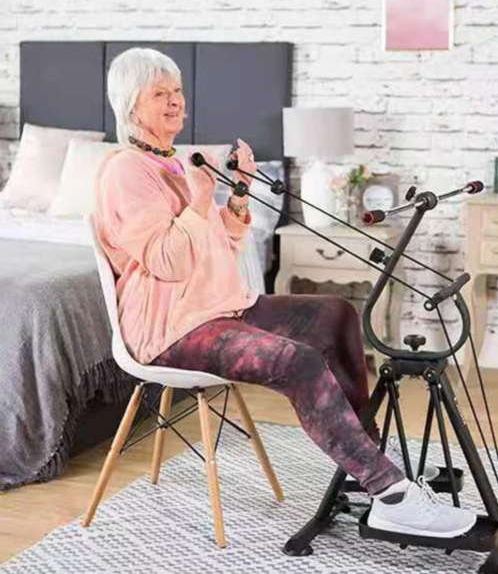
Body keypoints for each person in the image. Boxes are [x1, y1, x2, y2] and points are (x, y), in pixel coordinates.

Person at [93, 47, 477, 539]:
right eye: (159, 94)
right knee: (298, 362)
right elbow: (168, 261)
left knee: (335, 314)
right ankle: (392, 496)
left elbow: (223, 243)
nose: (175, 102)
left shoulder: (175, 162)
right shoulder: (125, 171)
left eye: (178, 91)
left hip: (221, 308)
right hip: (171, 329)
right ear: (131, 107)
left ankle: (367, 461)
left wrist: (236, 190)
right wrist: (197, 196)